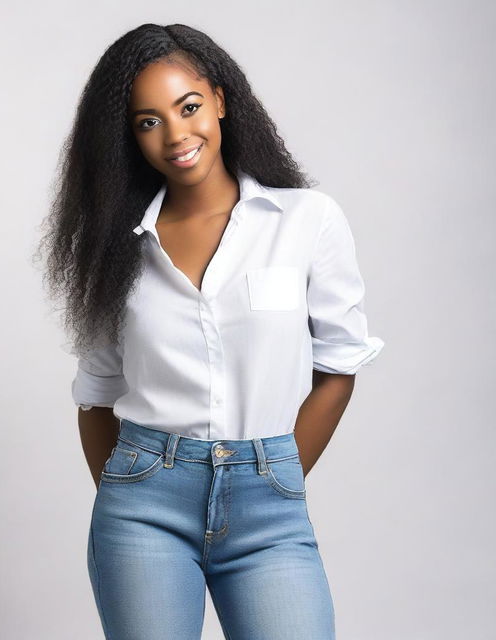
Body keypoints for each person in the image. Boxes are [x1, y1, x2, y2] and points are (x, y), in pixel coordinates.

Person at [37, 22, 384, 640]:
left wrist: (274, 474)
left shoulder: (305, 220)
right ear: (130, 139)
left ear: (221, 101)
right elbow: (95, 398)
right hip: (145, 510)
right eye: (148, 121)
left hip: (267, 512)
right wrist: (134, 495)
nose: (175, 134)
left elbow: (338, 367)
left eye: (188, 107)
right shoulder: (119, 250)